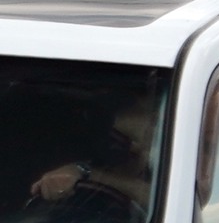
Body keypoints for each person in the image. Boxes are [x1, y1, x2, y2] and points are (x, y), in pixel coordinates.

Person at [29, 87, 161, 210]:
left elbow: (160, 201)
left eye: (128, 137)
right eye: (116, 140)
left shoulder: (171, 150)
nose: (133, 147)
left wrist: (92, 175)